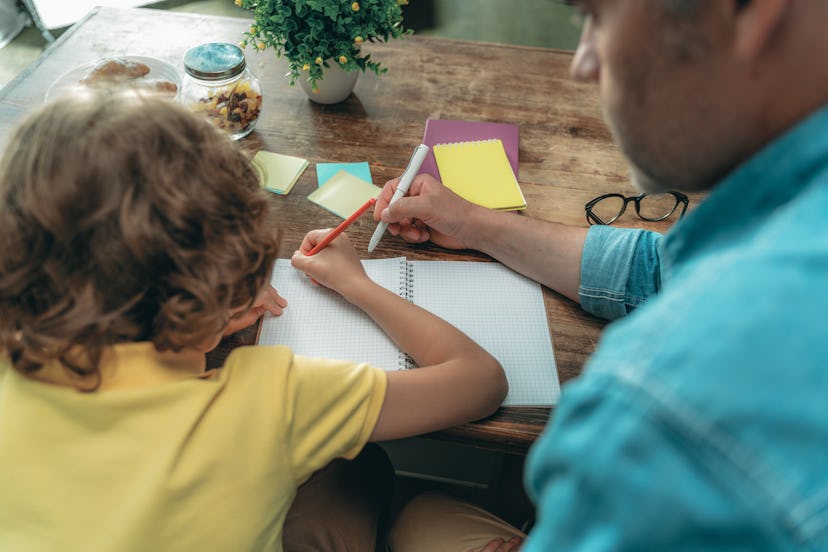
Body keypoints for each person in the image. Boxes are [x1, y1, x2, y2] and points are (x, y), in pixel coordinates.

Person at [382, 0, 828, 550]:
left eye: (595, 15)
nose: (583, 62)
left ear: (751, 12)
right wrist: (475, 224)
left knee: (411, 516)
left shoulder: (656, 411)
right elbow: (656, 271)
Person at [0, 89, 508, 551]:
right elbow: (481, 380)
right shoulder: (273, 400)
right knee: (361, 467)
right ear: (219, 289)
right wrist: (358, 285)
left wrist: (211, 305)